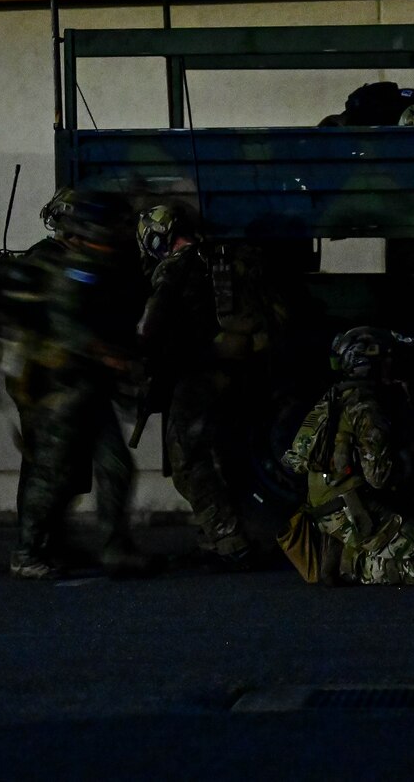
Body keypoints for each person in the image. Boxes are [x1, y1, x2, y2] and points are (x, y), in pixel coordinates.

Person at [9, 189, 152, 580]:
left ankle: (114, 547)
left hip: (88, 387)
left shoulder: (102, 265)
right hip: (60, 388)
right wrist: (109, 355)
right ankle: (29, 552)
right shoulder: (74, 268)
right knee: (53, 474)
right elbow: (66, 328)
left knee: (116, 467)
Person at [135, 202, 256, 568]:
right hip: (221, 370)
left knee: (186, 457)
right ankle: (216, 537)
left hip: (195, 373)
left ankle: (229, 539)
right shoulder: (209, 261)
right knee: (212, 454)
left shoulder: (173, 270)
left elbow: (152, 327)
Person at [281, 326, 414, 586]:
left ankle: (346, 554)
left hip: (326, 507)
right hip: (350, 508)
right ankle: (358, 565)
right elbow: (379, 477)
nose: (395, 365)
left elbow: (296, 461)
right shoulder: (368, 407)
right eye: (388, 359)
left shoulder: (335, 396)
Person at [0, 189, 93, 575]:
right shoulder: (49, 263)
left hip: (46, 378)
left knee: (58, 466)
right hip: (43, 381)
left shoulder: (54, 259)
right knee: (45, 467)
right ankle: (29, 552)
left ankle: (52, 543)